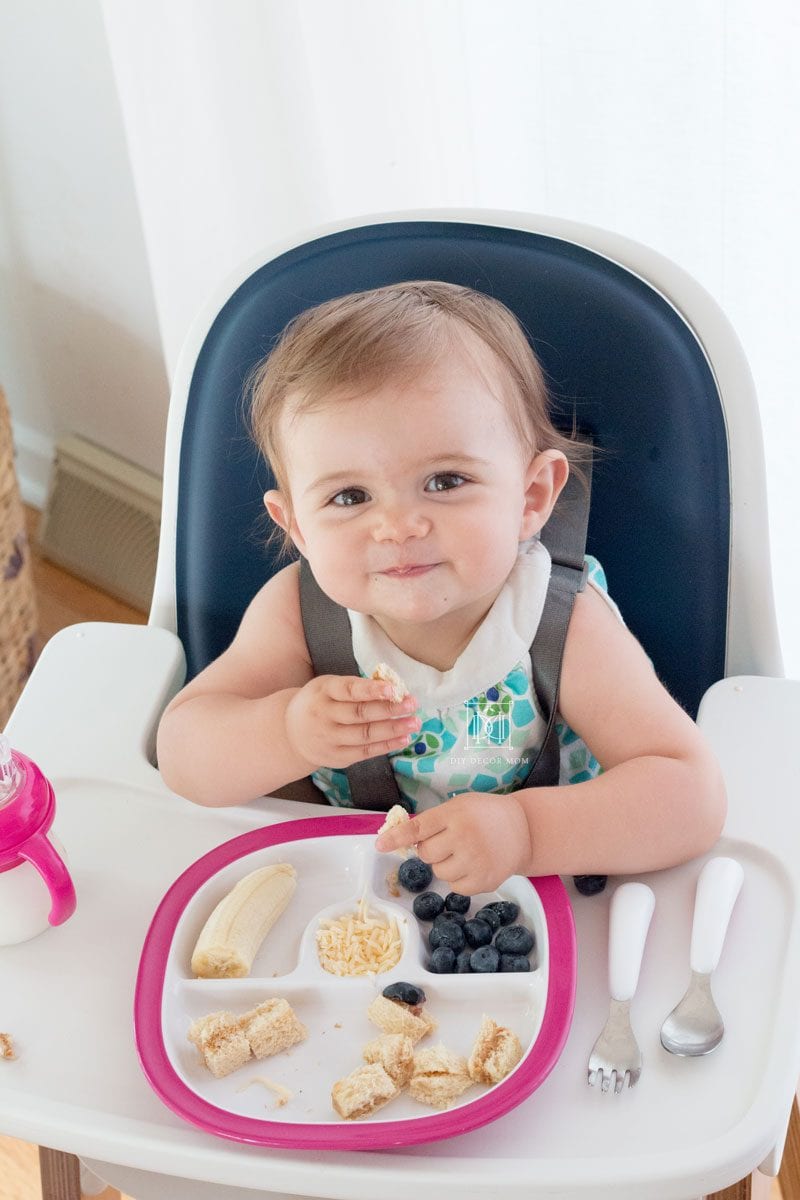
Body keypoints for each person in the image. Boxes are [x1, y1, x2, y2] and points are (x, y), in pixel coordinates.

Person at [156, 281, 726, 895]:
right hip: (351, 896)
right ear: (296, 526)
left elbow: (691, 794)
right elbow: (185, 756)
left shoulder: (559, 624)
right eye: (349, 497)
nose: (398, 527)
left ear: (531, 497)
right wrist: (286, 731)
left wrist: (526, 832)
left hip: (540, 893)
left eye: (445, 481)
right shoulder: (301, 615)